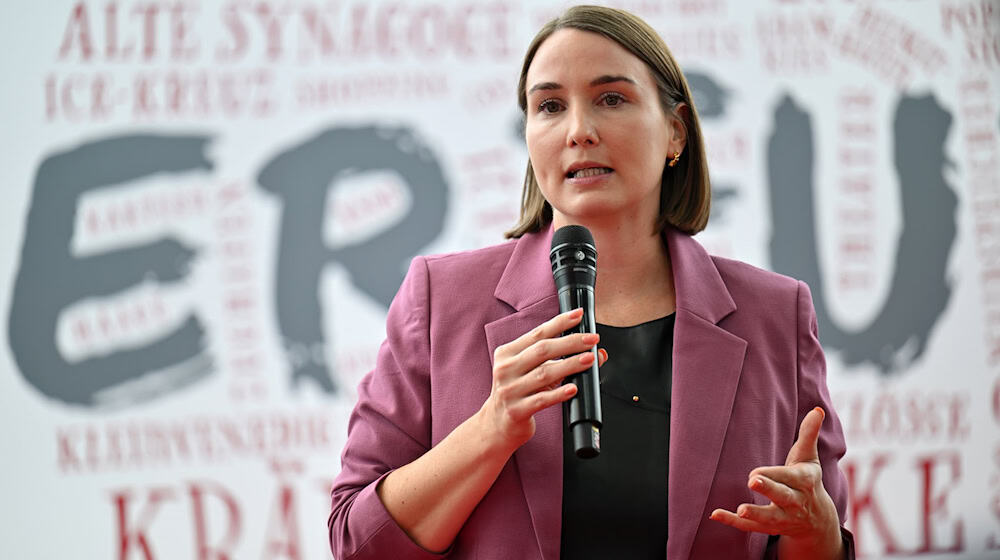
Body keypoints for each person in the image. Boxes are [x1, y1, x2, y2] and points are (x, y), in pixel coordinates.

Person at [329, 5, 854, 559]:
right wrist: (490, 428)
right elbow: (357, 543)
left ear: (675, 131)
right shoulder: (441, 299)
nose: (579, 131)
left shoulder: (775, 313)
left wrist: (814, 533)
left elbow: (815, 543)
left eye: (611, 98)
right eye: (550, 106)